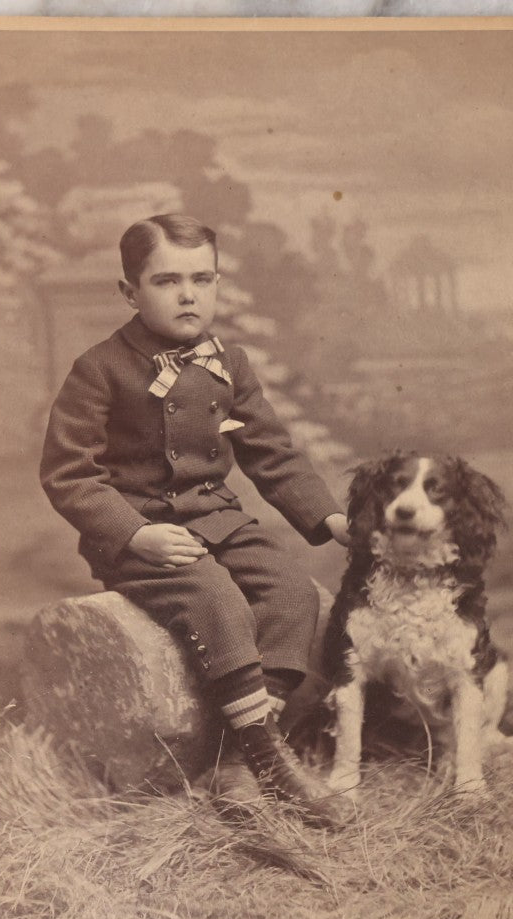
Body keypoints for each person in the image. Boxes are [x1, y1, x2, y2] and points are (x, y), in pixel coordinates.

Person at [40, 213, 350, 828]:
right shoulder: (98, 368)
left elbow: (272, 451)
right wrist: (133, 533)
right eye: (166, 281)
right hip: (143, 534)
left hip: (216, 518)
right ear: (130, 292)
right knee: (219, 601)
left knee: (291, 593)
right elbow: (67, 472)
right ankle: (272, 763)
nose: (188, 295)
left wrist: (330, 516)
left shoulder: (228, 360)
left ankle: (243, 758)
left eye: (203, 280)